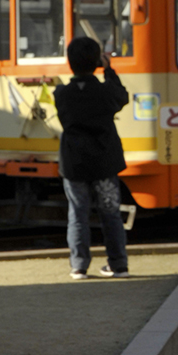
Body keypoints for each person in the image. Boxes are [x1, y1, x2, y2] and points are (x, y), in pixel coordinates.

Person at [54, 36, 131, 280]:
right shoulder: (106, 92)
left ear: (69, 63)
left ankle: (78, 266)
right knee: (110, 212)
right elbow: (122, 96)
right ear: (97, 61)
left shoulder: (61, 94)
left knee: (77, 214)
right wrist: (109, 70)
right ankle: (118, 265)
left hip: (74, 162)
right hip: (104, 160)